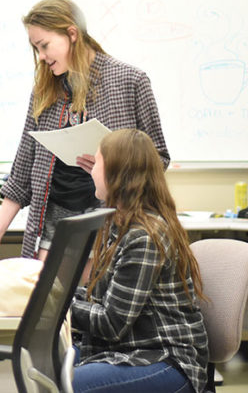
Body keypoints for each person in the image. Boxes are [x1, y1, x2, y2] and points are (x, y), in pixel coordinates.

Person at [0, 0, 169, 263]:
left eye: (44, 46)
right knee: (48, 303)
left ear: (72, 34)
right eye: (36, 48)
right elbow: (21, 174)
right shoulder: (44, 90)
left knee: (95, 303)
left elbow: (158, 158)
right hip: (54, 226)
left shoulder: (130, 81)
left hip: (113, 225)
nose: (41, 57)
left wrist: (114, 169)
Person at [71, 128, 208, 393]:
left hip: (167, 361)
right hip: (133, 348)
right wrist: (53, 295)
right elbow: (103, 300)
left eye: (97, 161)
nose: (91, 170)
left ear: (117, 173)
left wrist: (58, 305)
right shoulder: (121, 224)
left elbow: (111, 323)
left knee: (65, 384)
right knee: (45, 367)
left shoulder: (143, 236)